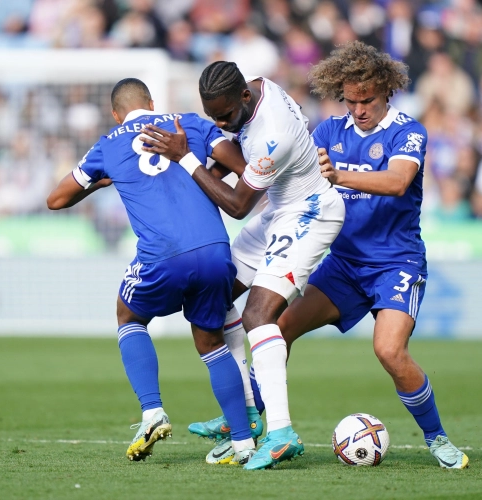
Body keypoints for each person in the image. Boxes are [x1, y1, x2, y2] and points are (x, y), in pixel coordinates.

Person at [185, 41, 470, 469]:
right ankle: (246, 422)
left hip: (395, 262)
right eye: (351, 101)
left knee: (389, 351)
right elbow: (286, 165)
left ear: (386, 92)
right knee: (276, 327)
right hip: (343, 265)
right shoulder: (330, 132)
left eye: (367, 101)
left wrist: (340, 174)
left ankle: (437, 437)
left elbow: (396, 182)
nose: (359, 110)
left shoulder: (408, 131)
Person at [142, 61, 345, 469]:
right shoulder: (250, 87)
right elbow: (233, 158)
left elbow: (236, 205)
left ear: (246, 98)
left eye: (226, 116)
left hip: (310, 211)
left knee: (258, 314)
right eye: (213, 116)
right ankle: (248, 414)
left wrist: (186, 160)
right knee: (211, 300)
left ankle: (282, 431)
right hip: (278, 210)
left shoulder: (273, 136)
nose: (221, 123)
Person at [46, 78, 258, 465]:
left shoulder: (108, 144)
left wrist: (99, 183)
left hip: (163, 255)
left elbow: (55, 199)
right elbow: (246, 170)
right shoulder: (190, 123)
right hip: (215, 250)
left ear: (115, 113)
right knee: (211, 344)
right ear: (152, 103)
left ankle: (152, 411)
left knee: (128, 315)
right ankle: (244, 443)